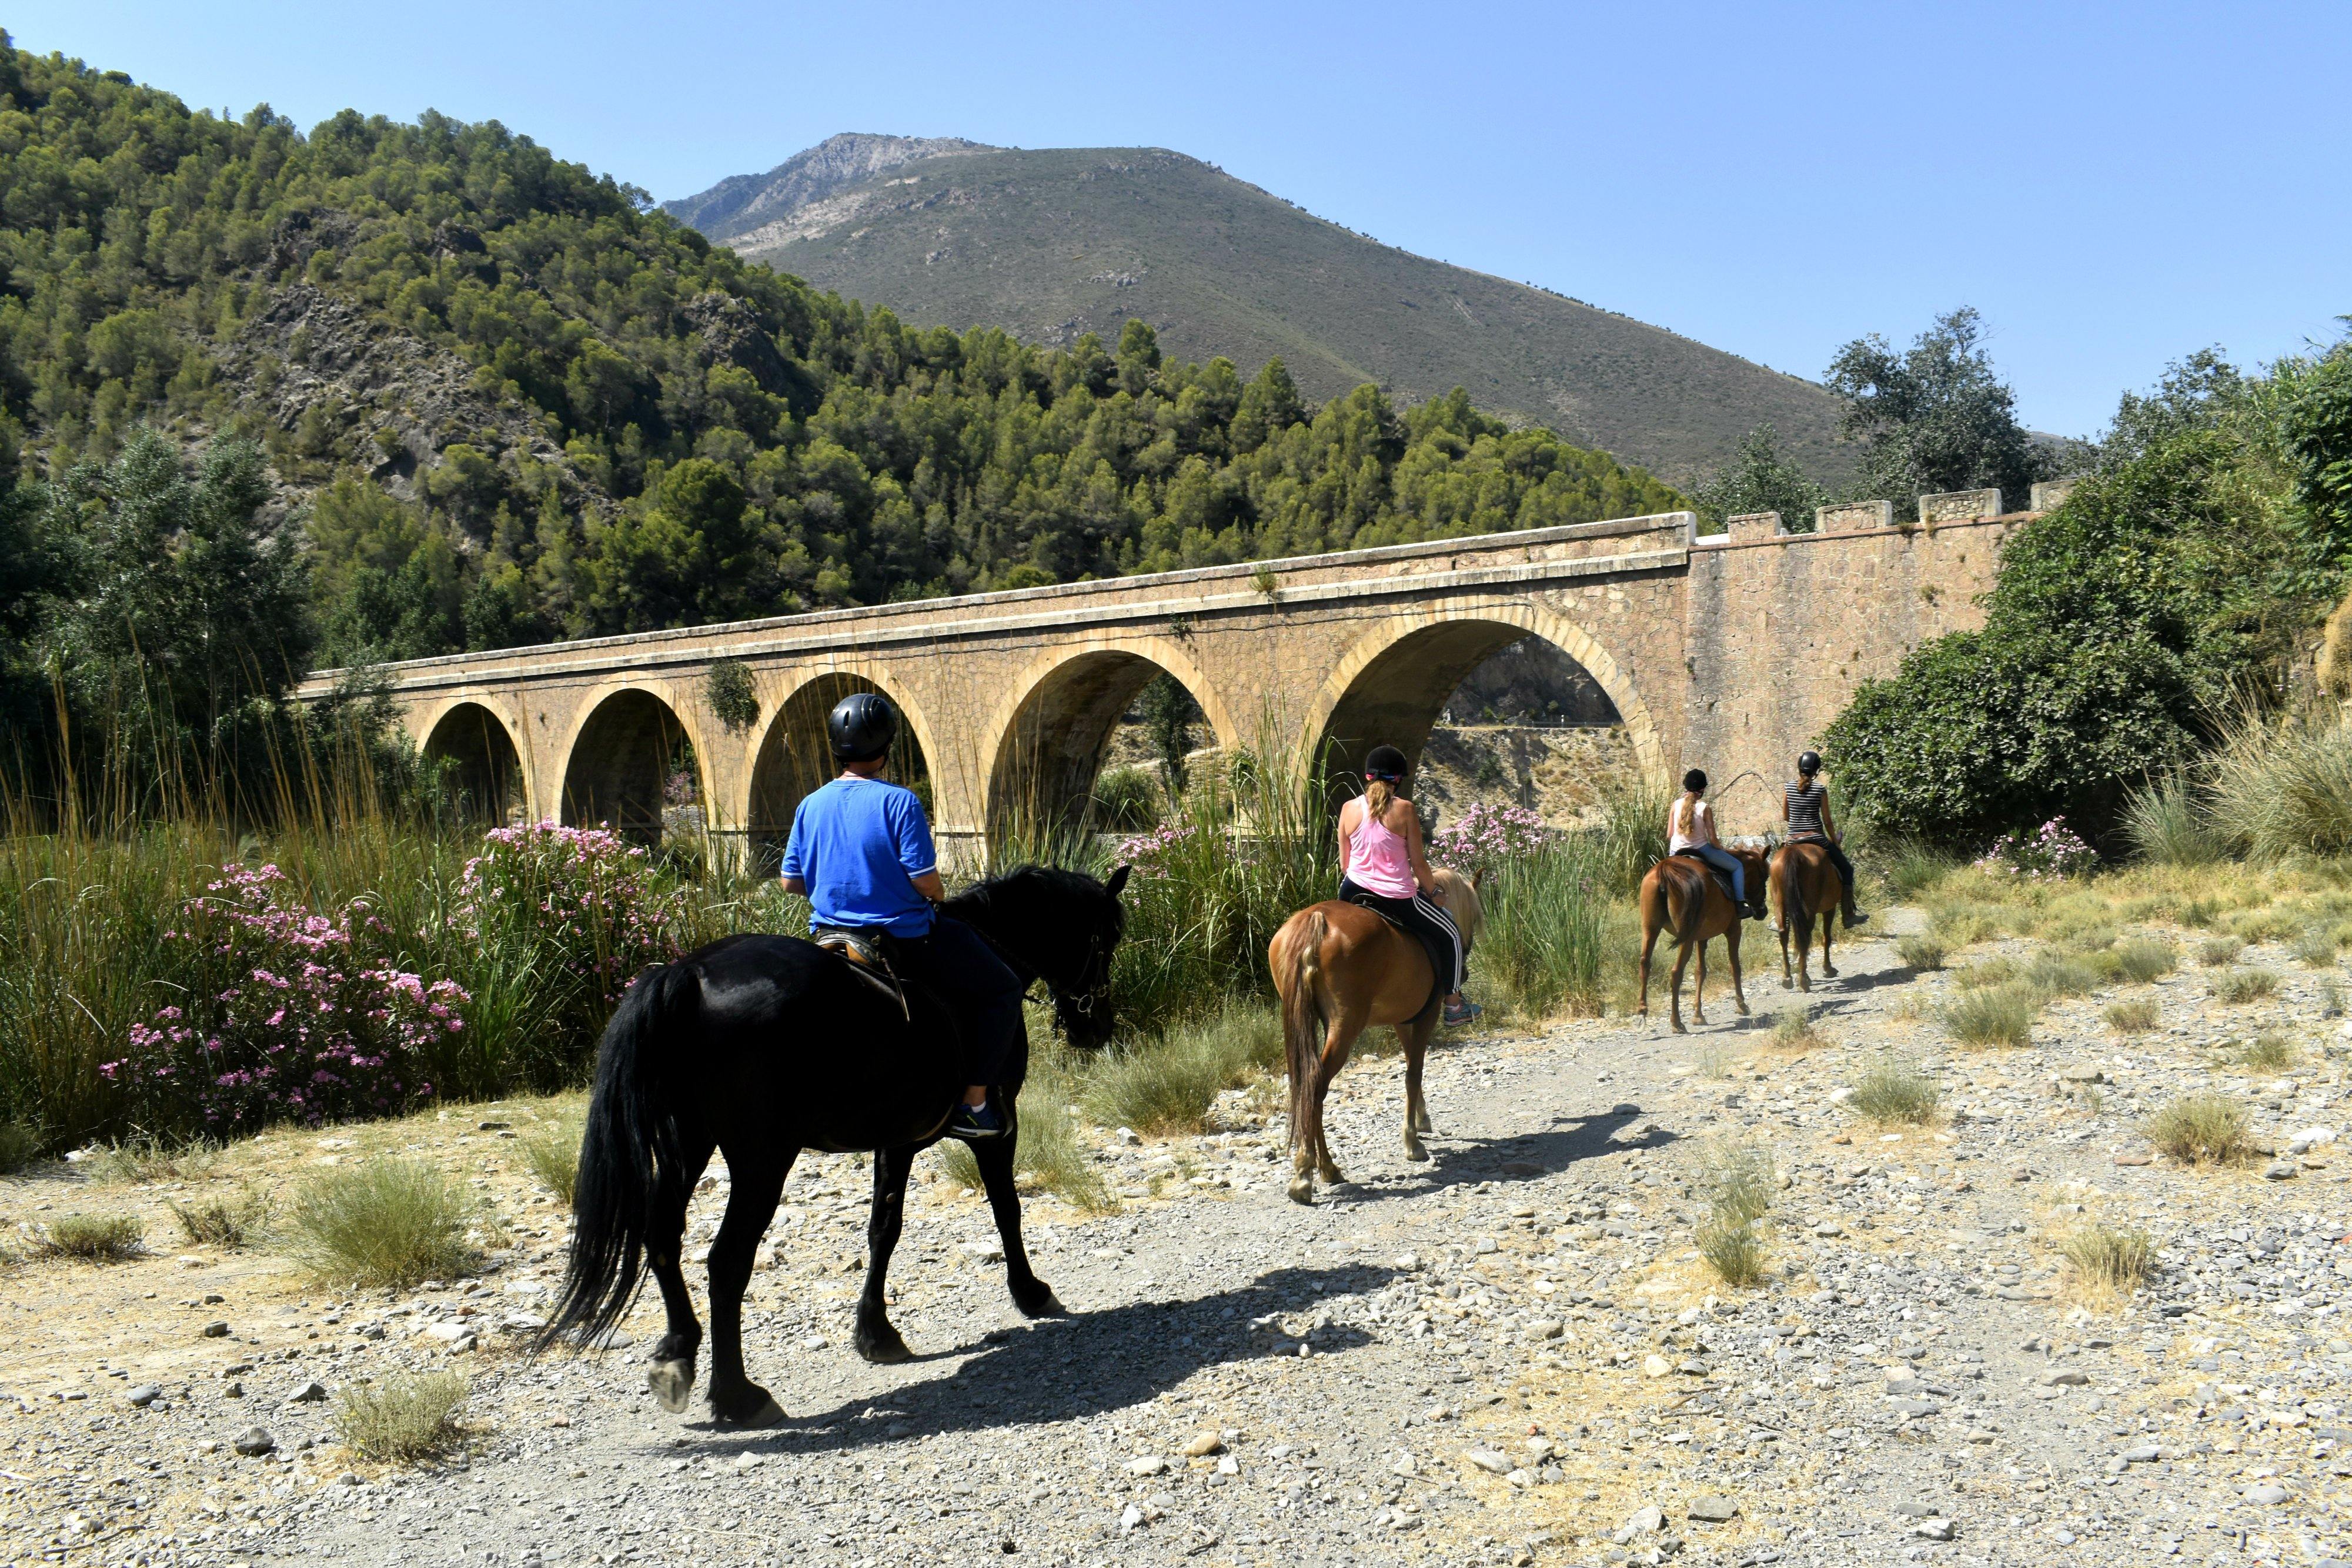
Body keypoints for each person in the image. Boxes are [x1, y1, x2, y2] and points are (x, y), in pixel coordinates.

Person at [779, 692, 1024, 1140]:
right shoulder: (900, 802)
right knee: (1003, 988)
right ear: (886, 747)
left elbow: (791, 882)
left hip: (829, 937)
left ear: (836, 747)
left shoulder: (809, 804)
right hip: (902, 939)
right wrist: (938, 893)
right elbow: (925, 882)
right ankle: (975, 1105)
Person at [1335, 744, 1475, 1025]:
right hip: (1394, 896)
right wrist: (1434, 892)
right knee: (1450, 932)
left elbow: (1344, 864)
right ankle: (1455, 1007)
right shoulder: (1405, 810)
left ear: (1368, 777)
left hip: (1351, 890)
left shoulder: (1348, 808)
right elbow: (1419, 864)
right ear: (1397, 780)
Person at [1783, 750, 1866, 926]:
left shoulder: (1788, 787)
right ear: (1817, 771)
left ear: (1799, 768)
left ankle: (1781, 916)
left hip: (1792, 839)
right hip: (1816, 838)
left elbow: (1786, 816)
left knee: (1782, 871)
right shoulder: (1820, 789)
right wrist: (1835, 841)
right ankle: (1848, 914)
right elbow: (1827, 820)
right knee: (1848, 869)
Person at [1669, 768, 1763, 920]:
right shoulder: (1705, 808)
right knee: (1738, 867)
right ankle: (1740, 905)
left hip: (1675, 852)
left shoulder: (1675, 805)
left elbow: (1669, 834)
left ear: (1685, 787)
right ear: (1703, 789)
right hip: (1701, 850)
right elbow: (1713, 840)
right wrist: (1722, 849)